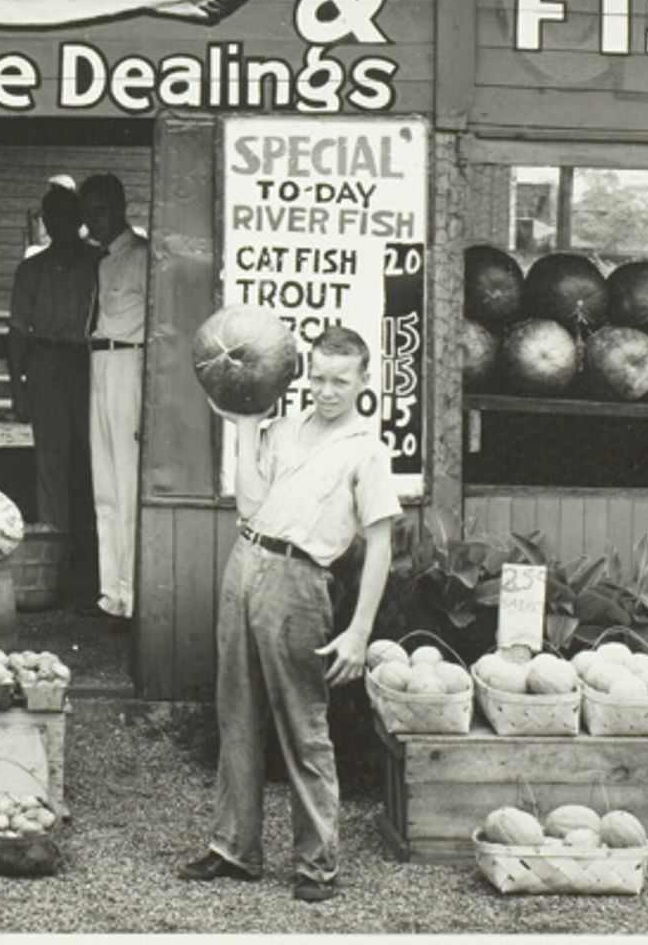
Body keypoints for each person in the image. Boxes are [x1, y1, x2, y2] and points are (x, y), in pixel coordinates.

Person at [178, 324, 400, 904]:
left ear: (363, 382)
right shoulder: (284, 430)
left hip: (301, 581)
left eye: (341, 381)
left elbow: (379, 546)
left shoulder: (367, 451)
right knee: (237, 713)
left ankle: (317, 863)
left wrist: (358, 632)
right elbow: (249, 504)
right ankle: (234, 849)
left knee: (303, 724)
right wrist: (248, 428)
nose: (327, 391)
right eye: (319, 378)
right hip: (246, 561)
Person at [6, 183, 99, 591]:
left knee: (94, 454)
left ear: (80, 220)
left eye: (68, 216)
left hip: (88, 363)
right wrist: (17, 387)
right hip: (45, 363)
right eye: (52, 217)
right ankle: (54, 554)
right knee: (50, 457)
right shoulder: (31, 269)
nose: (60, 225)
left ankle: (94, 553)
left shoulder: (99, 262)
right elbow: (16, 332)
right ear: (45, 222)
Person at [80, 172, 146, 625]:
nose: (91, 220)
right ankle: (111, 593)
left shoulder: (142, 257)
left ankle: (132, 591)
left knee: (126, 481)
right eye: (87, 212)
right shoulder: (101, 262)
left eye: (99, 210)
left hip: (130, 363)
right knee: (104, 483)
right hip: (100, 362)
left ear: (120, 207)